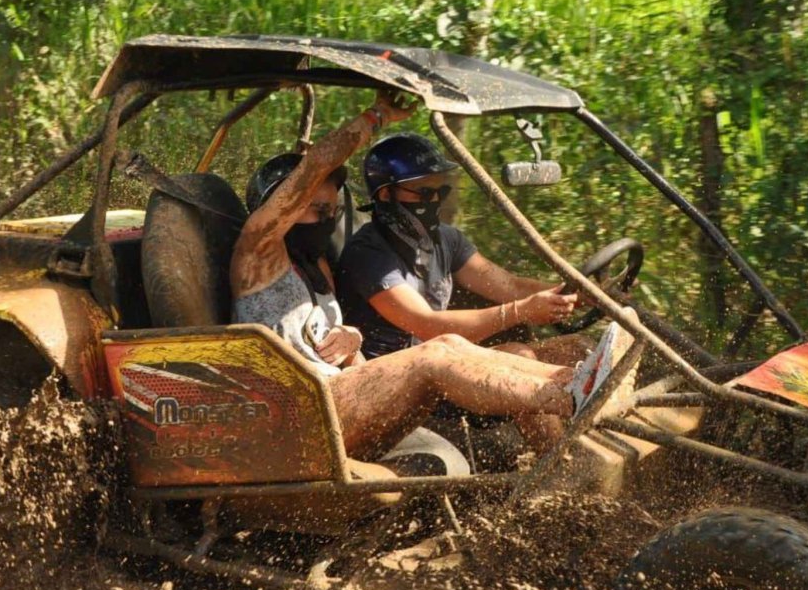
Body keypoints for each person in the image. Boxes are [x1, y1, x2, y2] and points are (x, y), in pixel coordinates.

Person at [228, 90, 614, 461]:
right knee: (437, 351)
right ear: (279, 208)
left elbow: (342, 355)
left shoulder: (316, 267)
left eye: (330, 210)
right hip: (296, 417)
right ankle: (569, 391)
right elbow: (313, 169)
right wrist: (374, 117)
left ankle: (574, 383)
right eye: (313, 209)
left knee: (452, 346)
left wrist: (352, 339)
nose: (326, 219)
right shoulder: (257, 257)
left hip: (340, 399)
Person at [337, 132, 587, 365]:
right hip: (393, 375)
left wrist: (578, 295)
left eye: (439, 191)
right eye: (423, 193)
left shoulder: (446, 239)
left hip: (440, 360)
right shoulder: (369, 253)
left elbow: (510, 287)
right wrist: (521, 311)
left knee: (577, 350)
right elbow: (426, 325)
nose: (433, 201)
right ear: (385, 195)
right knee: (518, 355)